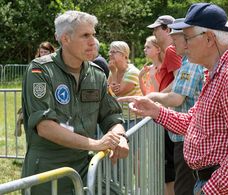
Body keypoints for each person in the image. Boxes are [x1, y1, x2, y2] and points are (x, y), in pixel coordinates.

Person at [118, 3, 228, 195]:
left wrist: (210, 190)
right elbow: (194, 122)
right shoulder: (216, 73)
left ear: (209, 38)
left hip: (225, 186)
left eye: (188, 37)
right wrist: (156, 111)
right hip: (217, 182)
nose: (182, 44)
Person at [22, 10, 129, 195]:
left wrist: (120, 137)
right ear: (65, 39)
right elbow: (45, 126)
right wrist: (95, 144)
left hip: (84, 169)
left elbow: (112, 116)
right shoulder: (40, 71)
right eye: (85, 35)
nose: (93, 41)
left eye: (93, 34)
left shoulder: (96, 74)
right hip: (48, 172)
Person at [147, 18, 204, 195]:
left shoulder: (190, 63)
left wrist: (150, 98)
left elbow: (177, 98)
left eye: (176, 37)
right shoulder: (187, 62)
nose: (172, 41)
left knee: (184, 188)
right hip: (185, 134)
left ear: (187, 40)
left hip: (186, 136)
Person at [147, 15, 182, 195]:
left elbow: (178, 83)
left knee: (171, 171)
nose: (154, 33)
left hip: (171, 113)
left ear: (168, 30)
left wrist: (156, 97)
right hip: (170, 113)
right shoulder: (170, 49)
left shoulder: (171, 49)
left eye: (156, 29)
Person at [107, 41, 142, 130]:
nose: (110, 54)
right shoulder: (113, 71)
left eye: (114, 52)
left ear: (125, 55)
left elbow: (117, 93)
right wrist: (113, 73)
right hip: (120, 117)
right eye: (110, 51)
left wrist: (114, 73)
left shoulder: (132, 72)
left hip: (134, 118)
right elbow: (108, 92)